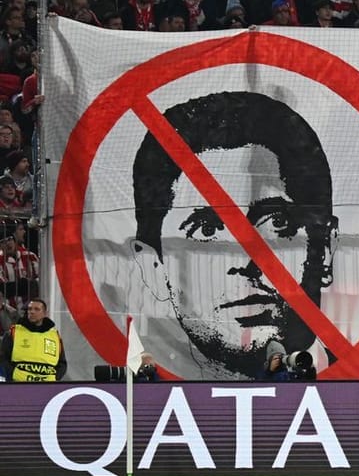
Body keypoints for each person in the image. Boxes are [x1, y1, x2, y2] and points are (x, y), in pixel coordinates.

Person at [129, 91, 338, 379]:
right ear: (153, 266)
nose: (250, 263)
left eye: (277, 222)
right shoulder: (148, 389)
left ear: (325, 249)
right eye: (208, 229)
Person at [4, 298, 66, 382]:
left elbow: (62, 363)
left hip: (48, 386)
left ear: (44, 313)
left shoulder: (54, 335)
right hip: (18, 384)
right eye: (30, 309)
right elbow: (4, 358)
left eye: (36, 309)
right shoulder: (14, 332)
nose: (32, 312)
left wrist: (55, 378)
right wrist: (13, 374)